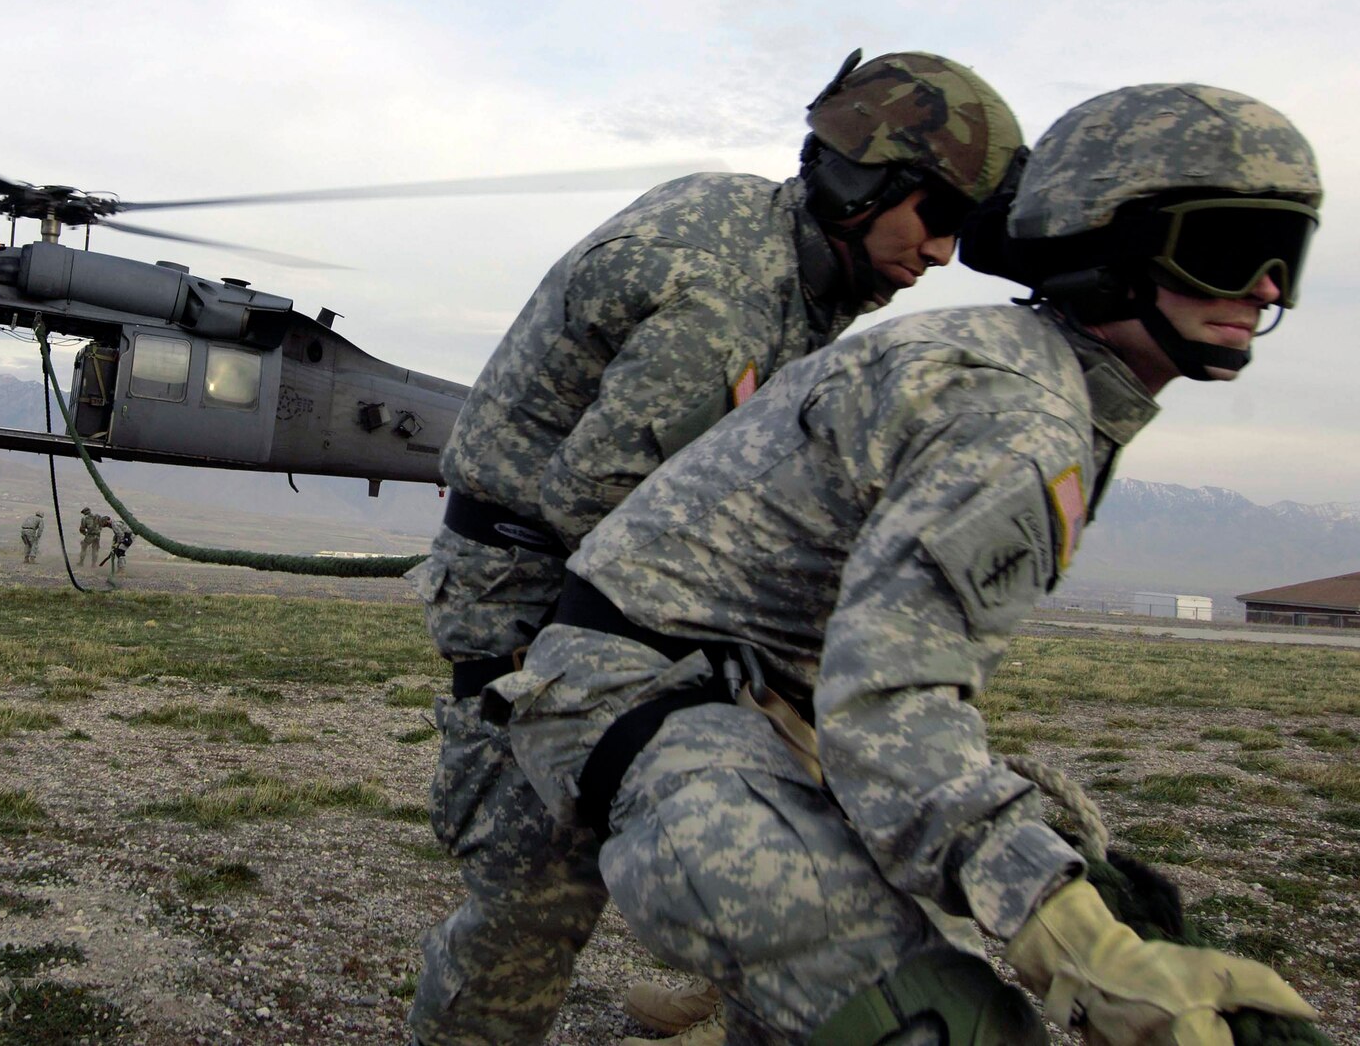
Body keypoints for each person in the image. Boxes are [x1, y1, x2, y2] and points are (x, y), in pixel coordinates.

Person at [489, 84, 1324, 1044]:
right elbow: (892, 707)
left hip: (755, 699)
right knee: (939, 1021)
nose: (1263, 287)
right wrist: (1080, 945)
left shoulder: (1037, 382)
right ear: (1109, 242)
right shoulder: (1018, 413)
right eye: (1226, 249)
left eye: (1285, 258)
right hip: (640, 689)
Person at [408, 51, 1025, 1046]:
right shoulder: (725, 293)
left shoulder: (786, 253)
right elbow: (597, 506)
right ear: (865, 182)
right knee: (532, 904)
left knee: (787, 825)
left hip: (626, 585)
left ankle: (724, 976)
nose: (943, 253)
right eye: (936, 217)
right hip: (538, 595)